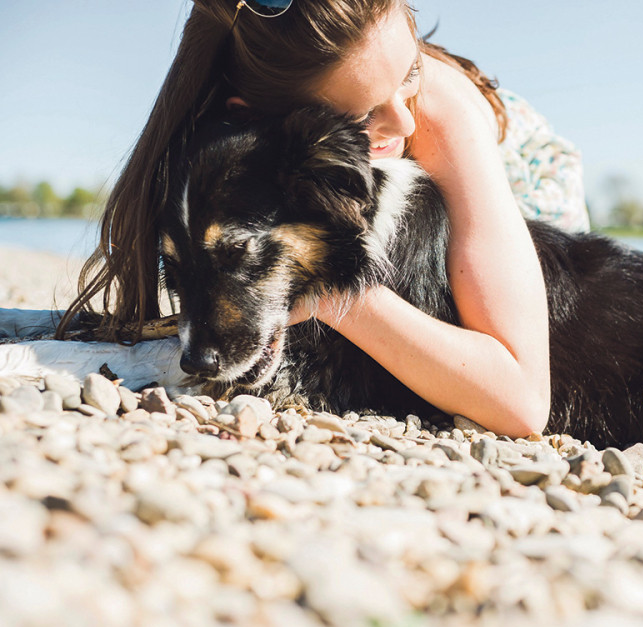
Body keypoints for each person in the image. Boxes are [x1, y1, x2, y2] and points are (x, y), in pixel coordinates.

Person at [50, 0, 591, 437]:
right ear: (261, 121)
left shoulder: (438, 118)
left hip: (520, 186)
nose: (402, 121)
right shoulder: (223, 129)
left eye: (410, 70)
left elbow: (522, 403)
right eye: (362, 114)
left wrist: (333, 297)